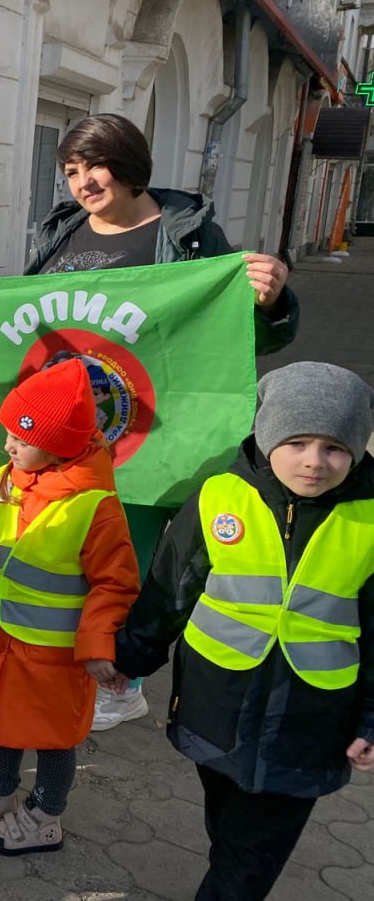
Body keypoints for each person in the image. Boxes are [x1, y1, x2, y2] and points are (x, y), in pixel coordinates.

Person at [30, 112, 299, 730]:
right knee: (67, 541)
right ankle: (68, 654)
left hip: (147, 425)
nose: (82, 182)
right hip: (70, 424)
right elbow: (29, 309)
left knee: (126, 550)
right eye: (70, 171)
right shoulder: (61, 229)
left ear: (126, 163)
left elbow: (233, 333)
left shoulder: (188, 234)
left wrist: (273, 299)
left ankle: (122, 680)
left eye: (92, 165)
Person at [107, 361, 374, 900]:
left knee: (248, 864)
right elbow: (170, 587)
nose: (314, 462)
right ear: (268, 433)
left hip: (311, 725)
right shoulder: (220, 493)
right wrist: (130, 658)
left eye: (335, 448)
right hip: (218, 707)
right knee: (229, 833)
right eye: (297, 442)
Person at [0, 359, 139, 854]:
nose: (9, 445)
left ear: (57, 447)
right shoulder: (5, 479)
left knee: (54, 737)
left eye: (21, 438)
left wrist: (99, 646)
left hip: (53, 652)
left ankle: (46, 815)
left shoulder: (94, 504)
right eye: (8, 433)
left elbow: (114, 582)